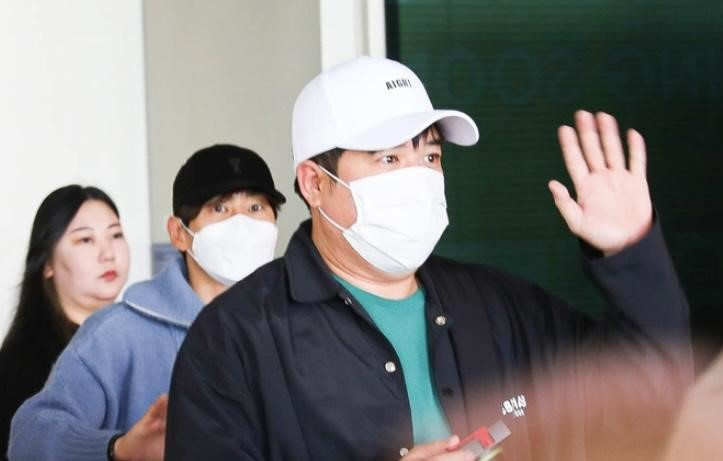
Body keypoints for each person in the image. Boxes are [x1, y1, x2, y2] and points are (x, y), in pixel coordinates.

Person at [165, 57, 691, 461]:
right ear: (315, 184)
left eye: (430, 155)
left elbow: (643, 401)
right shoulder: (235, 339)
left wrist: (631, 252)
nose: (417, 176)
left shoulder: (500, 306)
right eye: (389, 157)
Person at [7, 145, 285, 461]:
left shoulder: (297, 325)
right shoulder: (118, 334)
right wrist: (118, 448)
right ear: (178, 233)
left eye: (255, 207)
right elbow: (29, 437)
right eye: (220, 208)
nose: (242, 224)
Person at [0, 185, 130, 460]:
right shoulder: (21, 368)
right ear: (47, 263)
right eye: (85, 240)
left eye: (116, 235)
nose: (108, 253)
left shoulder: (133, 341)